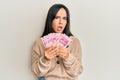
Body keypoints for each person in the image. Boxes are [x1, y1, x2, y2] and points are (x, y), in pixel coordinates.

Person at [32, 4, 83, 80]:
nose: (61, 22)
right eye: (57, 18)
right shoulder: (39, 42)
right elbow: (37, 72)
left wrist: (67, 57)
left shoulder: (74, 42)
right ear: (50, 20)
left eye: (64, 18)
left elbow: (77, 71)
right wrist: (45, 59)